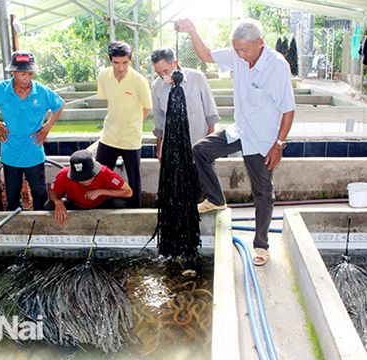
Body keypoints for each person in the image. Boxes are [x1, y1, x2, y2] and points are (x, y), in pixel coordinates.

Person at [175, 19, 295, 266]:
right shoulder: (237, 55)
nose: (239, 55)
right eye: (236, 49)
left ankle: (261, 245)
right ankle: (216, 198)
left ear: (260, 44)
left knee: (263, 192)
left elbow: (288, 109)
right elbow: (207, 55)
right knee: (201, 150)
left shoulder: (277, 66)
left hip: (264, 138)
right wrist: (193, 30)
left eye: (244, 50)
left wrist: (278, 144)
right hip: (241, 130)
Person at [0, 51, 65, 210]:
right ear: (13, 72)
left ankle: (39, 224)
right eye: (22, 74)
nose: (27, 78)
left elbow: (59, 105)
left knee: (40, 194)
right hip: (10, 152)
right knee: (12, 196)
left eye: (30, 73)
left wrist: (47, 128)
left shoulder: (41, 91)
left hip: (34, 151)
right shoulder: (0, 90)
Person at [96, 41, 152, 208]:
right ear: (110, 60)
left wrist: (133, 124)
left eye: (125, 63)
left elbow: (147, 107)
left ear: (130, 60)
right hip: (109, 136)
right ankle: (100, 208)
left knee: (134, 179)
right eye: (116, 63)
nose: (120, 68)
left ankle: (136, 211)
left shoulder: (139, 81)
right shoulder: (103, 76)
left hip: (131, 138)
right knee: (100, 176)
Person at [151, 47, 220, 161]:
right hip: (172, 148)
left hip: (198, 146)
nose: (163, 76)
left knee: (202, 178)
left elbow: (211, 115)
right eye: (159, 73)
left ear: (175, 63)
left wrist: (208, 146)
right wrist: (159, 148)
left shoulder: (197, 78)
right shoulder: (157, 87)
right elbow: (159, 121)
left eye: (165, 71)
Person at [49, 150, 133, 225]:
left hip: (102, 203)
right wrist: (58, 202)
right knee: (50, 205)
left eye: (88, 177)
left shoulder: (106, 173)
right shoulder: (63, 175)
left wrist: (101, 191)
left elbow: (128, 192)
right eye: (80, 179)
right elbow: (53, 192)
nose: (85, 181)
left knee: (119, 203)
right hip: (75, 204)